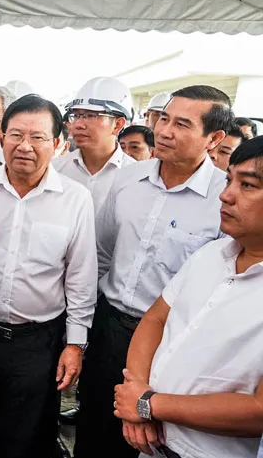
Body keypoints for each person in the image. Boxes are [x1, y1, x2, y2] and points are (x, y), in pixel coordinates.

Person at [74, 85, 233, 458]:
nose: (163, 131)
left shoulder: (224, 197)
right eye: (163, 119)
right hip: (110, 329)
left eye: (181, 124)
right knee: (95, 429)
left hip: (172, 343)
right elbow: (102, 251)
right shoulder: (129, 179)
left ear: (215, 138)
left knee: (154, 441)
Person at [0, 95, 97, 458]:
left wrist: (74, 345)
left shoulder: (75, 199)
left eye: (38, 137)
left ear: (59, 144)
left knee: (24, 440)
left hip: (37, 343)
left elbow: (80, 276)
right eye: (15, 135)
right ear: (2, 137)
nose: (24, 146)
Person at [115, 136, 263, 458]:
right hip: (154, 445)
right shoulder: (212, 253)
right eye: (228, 180)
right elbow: (155, 318)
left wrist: (148, 404)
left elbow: (258, 411)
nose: (226, 195)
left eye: (248, 185)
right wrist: (138, 394)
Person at [54, 77, 136, 214]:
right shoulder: (55, 170)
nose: (79, 124)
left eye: (91, 116)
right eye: (76, 115)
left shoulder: (134, 178)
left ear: (118, 124)